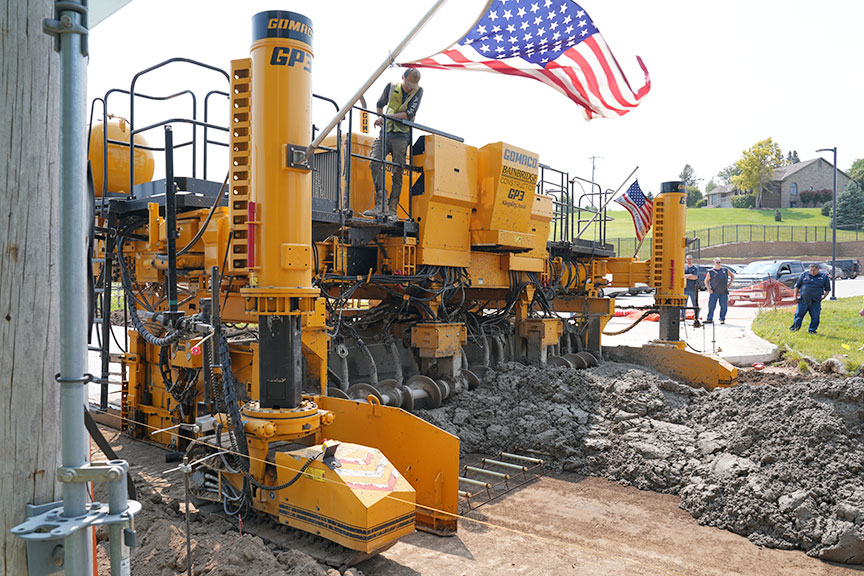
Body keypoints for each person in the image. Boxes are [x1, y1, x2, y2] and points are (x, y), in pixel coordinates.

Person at [364, 68, 424, 220]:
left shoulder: (418, 91)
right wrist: (380, 117)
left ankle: (392, 210)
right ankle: (380, 205)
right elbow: (379, 103)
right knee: (374, 162)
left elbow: (409, 113)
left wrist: (384, 118)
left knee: (398, 172)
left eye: (413, 85)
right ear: (402, 77)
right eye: (408, 84)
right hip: (385, 133)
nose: (410, 88)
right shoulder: (391, 87)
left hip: (402, 136)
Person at [789, 262, 831, 334]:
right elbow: (797, 286)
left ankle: (812, 330)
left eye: (814, 270)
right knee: (799, 315)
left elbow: (827, 289)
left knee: (815, 317)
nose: (812, 272)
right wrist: (795, 296)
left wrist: (824, 297)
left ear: (818, 269)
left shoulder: (824, 277)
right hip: (803, 300)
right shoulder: (804, 275)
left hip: (815, 301)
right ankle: (794, 329)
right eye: (811, 270)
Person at [704, 257, 734, 324]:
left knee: (724, 306)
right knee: (711, 306)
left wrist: (729, 285)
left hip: (723, 292)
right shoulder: (711, 272)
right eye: (717, 262)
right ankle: (709, 318)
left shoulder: (725, 270)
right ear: (714, 263)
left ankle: (722, 319)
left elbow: (732, 276)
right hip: (714, 292)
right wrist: (709, 289)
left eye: (719, 262)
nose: (718, 264)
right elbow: (706, 281)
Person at [682, 254, 699, 322]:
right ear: (686, 260)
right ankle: (682, 317)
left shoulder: (695, 268)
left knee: (694, 304)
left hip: (693, 289)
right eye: (687, 259)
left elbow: (695, 277)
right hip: (684, 289)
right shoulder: (683, 267)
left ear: (692, 260)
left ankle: (696, 317)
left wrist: (686, 276)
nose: (689, 261)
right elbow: (681, 276)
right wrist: (690, 275)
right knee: (683, 304)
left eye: (690, 259)